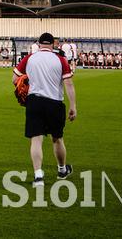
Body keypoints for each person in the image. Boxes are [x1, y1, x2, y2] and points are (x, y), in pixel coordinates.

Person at [12, 32, 76, 187]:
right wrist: (73, 106)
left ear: (39, 44)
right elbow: (68, 83)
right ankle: (62, 170)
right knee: (57, 138)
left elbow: (15, 79)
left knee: (36, 139)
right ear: (53, 44)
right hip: (55, 102)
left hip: (34, 101)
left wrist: (25, 81)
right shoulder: (60, 59)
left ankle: (38, 176)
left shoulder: (29, 58)